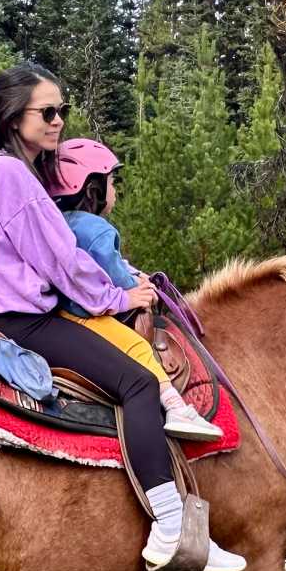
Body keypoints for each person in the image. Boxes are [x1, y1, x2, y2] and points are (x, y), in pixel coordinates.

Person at [0, 64, 247, 571]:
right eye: (46, 112)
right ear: (11, 116)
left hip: (3, 313)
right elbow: (61, 259)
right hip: (22, 321)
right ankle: (169, 524)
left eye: (61, 111)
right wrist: (118, 296)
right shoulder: (9, 174)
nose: (58, 121)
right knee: (137, 383)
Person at [45, 138, 224, 440]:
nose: (115, 190)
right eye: (111, 181)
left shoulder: (56, 223)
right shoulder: (98, 229)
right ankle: (175, 406)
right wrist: (137, 287)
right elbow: (114, 273)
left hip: (60, 313)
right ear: (92, 190)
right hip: (89, 312)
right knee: (137, 347)